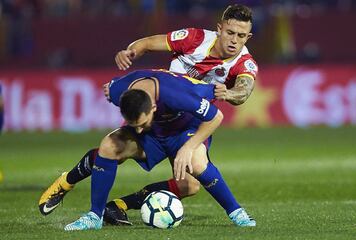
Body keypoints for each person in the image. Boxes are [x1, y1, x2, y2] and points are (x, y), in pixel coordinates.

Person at [38, 4, 258, 225]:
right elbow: (147, 44)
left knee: (189, 185)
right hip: (157, 112)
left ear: (247, 37)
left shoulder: (244, 63)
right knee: (111, 147)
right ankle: (70, 184)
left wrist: (229, 93)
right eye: (230, 33)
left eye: (241, 36)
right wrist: (130, 51)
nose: (234, 40)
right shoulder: (195, 38)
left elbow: (244, 90)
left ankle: (117, 206)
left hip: (189, 123)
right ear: (219, 29)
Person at [43, 69, 256, 230]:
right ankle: (94, 215)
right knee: (109, 145)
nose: (138, 128)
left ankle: (237, 213)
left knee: (196, 164)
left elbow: (216, 117)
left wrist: (188, 147)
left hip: (184, 129)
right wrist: (139, 125)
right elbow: (114, 92)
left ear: (154, 107)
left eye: (141, 122)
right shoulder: (119, 91)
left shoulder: (177, 94)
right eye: (133, 123)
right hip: (155, 133)